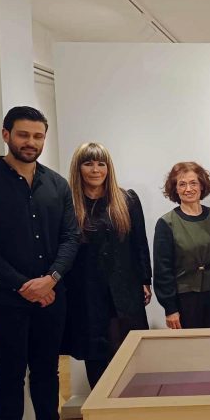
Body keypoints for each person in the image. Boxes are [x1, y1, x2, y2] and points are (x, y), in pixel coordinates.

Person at [0, 106, 80, 420]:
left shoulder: (57, 185)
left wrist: (50, 280)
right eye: (23, 134)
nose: (31, 142)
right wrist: (25, 286)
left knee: (47, 373)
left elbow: (71, 237)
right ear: (6, 134)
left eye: (38, 136)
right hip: (3, 300)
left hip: (52, 298)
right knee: (9, 376)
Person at [61, 142, 152, 389]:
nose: (95, 170)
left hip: (125, 292)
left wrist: (145, 280)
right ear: (78, 168)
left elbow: (139, 243)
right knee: (97, 359)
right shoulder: (68, 204)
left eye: (101, 164)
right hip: (86, 295)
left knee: (130, 356)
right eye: (88, 163)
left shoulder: (127, 199)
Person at [154, 162, 210, 329]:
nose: (188, 189)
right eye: (182, 184)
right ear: (175, 189)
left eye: (193, 183)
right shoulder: (166, 223)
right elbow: (162, 270)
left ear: (202, 185)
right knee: (191, 345)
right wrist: (170, 308)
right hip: (185, 299)